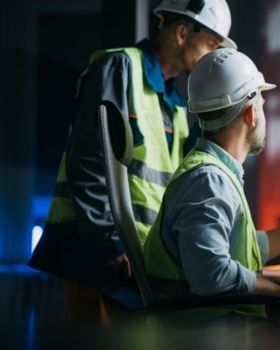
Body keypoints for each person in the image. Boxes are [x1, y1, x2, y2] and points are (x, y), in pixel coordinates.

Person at [28, 0, 236, 327]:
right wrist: (110, 242)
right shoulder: (119, 68)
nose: (213, 55)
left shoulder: (177, 105)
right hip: (96, 255)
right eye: (211, 44)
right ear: (182, 32)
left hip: (133, 262)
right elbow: (89, 161)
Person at [143, 48, 280, 323]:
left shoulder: (213, 175)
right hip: (207, 334)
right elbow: (210, 275)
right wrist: (269, 289)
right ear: (251, 113)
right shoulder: (209, 181)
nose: (264, 114)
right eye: (262, 105)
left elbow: (244, 248)